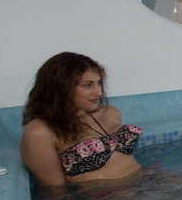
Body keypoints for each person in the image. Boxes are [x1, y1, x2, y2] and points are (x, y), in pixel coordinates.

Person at [21, 52, 142, 188]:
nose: (98, 92)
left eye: (99, 83)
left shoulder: (110, 113)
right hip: (112, 196)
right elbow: (55, 189)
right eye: (87, 85)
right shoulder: (40, 132)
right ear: (61, 88)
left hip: (146, 179)